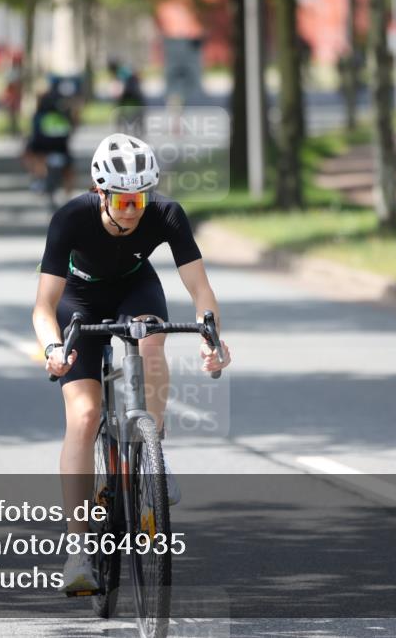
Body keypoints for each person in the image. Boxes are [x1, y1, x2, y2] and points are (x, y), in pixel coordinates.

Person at [31, 133, 232, 592]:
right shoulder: (70, 218)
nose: (131, 210)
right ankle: (78, 551)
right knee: (84, 415)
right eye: (121, 200)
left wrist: (212, 337)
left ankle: (151, 452)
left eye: (139, 199)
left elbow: (201, 291)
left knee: (152, 339)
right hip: (78, 299)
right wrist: (53, 349)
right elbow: (44, 307)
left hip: (133, 288)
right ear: (100, 192)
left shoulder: (166, 214)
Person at [23, 78, 78, 199]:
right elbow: (71, 130)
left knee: (31, 153)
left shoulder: (38, 115)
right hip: (62, 149)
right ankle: (69, 193)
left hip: (43, 149)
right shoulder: (63, 112)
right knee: (69, 169)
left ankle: (38, 178)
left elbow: (35, 134)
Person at [108, 60, 145, 136]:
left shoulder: (121, 72)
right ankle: (135, 130)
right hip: (133, 94)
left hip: (130, 94)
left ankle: (123, 131)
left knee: (123, 113)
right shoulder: (123, 70)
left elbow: (121, 87)